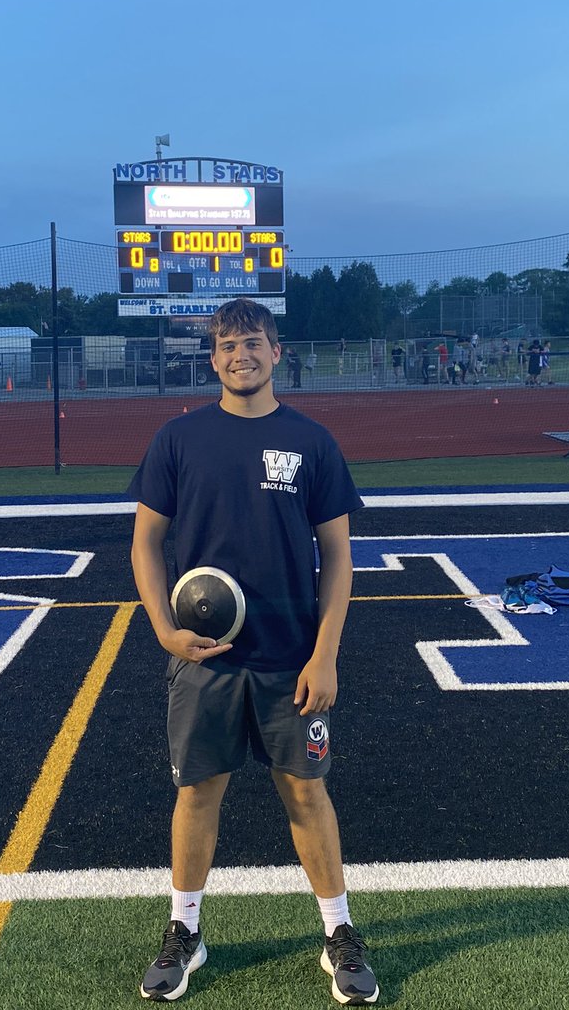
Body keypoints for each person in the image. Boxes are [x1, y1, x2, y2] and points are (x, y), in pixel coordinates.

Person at [129, 298, 378, 1006]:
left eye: (255, 342)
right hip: (202, 658)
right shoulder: (179, 440)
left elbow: (338, 555)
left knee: (305, 791)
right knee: (198, 792)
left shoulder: (312, 441)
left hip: (290, 658)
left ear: (277, 352)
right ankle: (185, 932)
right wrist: (161, 630)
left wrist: (325, 655)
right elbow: (146, 542)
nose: (242, 354)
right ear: (212, 358)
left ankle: (339, 934)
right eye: (229, 344)